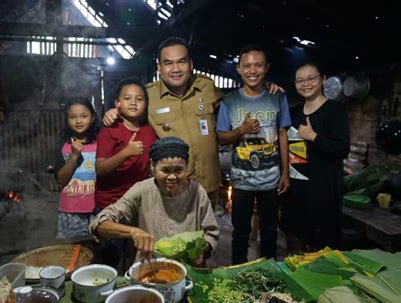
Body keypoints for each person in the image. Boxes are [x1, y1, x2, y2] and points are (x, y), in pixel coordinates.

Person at [103, 37, 284, 210]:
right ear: (159, 67)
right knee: (175, 239)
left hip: (208, 185)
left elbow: (237, 100)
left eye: (181, 62)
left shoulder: (206, 87)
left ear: (191, 64)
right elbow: (130, 111)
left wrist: (262, 86)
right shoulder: (149, 96)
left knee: (206, 238)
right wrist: (115, 112)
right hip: (172, 187)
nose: (176, 69)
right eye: (168, 63)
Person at [89, 137, 219, 266]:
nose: (172, 177)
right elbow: (99, 223)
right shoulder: (142, 190)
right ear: (152, 166)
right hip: (149, 266)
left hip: (188, 267)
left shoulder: (197, 191)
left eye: (179, 170)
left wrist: (201, 248)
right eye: (165, 170)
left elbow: (211, 233)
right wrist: (133, 232)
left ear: (187, 165)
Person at [216, 43, 291, 264]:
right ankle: (238, 272)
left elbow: (283, 134)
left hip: (271, 180)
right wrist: (242, 130)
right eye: (247, 65)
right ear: (238, 69)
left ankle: (268, 272)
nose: (252, 70)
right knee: (240, 232)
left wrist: (285, 172)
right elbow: (221, 137)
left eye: (258, 65)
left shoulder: (278, 97)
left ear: (266, 68)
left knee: (270, 231)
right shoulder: (230, 101)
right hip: (241, 180)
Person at [280, 61, 350, 252]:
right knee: (294, 243)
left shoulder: (335, 110)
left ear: (323, 79)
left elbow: (342, 149)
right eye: (300, 80)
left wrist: (314, 137)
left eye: (311, 78)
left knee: (320, 248)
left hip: (322, 192)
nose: (305, 84)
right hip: (295, 190)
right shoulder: (294, 112)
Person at [95, 77, 157, 209]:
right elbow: (100, 169)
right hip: (111, 204)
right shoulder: (109, 130)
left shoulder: (149, 132)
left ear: (146, 104)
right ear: (118, 103)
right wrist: (125, 153)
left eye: (139, 99)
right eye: (127, 98)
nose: (133, 103)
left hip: (139, 202)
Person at [53, 97, 99, 239]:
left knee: (100, 251)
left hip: (98, 209)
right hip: (71, 211)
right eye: (72, 117)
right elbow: (61, 180)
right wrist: (73, 157)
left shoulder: (102, 141)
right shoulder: (62, 145)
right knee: (72, 253)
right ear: (67, 120)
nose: (78, 121)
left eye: (84, 116)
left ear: (92, 118)